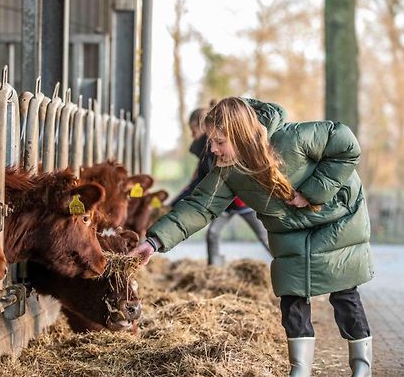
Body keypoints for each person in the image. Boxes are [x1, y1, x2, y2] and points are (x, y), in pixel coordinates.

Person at [131, 97, 374, 377]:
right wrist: (154, 242)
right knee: (291, 298)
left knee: (343, 294)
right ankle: (300, 369)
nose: (212, 148)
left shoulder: (292, 138)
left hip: (335, 218)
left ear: (240, 134)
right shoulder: (226, 169)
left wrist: (313, 192)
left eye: (220, 141)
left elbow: (346, 145)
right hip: (289, 230)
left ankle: (361, 367)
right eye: (211, 141)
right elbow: (199, 206)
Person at [171, 106, 270, 265]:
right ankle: (214, 269)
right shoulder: (207, 153)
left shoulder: (227, 148)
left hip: (245, 202)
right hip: (226, 204)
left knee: (264, 235)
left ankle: (283, 261)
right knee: (212, 233)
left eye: (193, 129)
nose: (191, 134)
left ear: (202, 127)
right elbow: (198, 182)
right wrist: (174, 203)